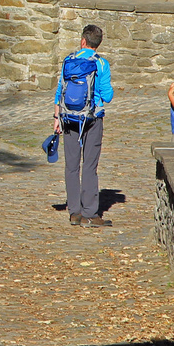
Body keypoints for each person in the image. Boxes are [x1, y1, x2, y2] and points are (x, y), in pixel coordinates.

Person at [54, 24, 114, 227]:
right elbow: (107, 96)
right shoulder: (102, 64)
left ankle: (74, 213)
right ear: (98, 44)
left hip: (69, 118)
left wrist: (56, 118)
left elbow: (59, 91)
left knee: (71, 166)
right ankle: (90, 213)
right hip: (93, 119)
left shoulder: (68, 61)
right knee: (89, 165)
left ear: (82, 41)